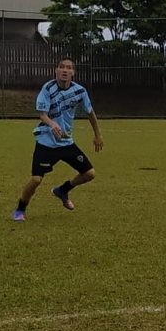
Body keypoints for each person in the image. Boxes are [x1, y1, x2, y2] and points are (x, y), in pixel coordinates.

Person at [11, 57, 103, 221]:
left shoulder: (80, 91)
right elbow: (42, 114)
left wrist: (97, 135)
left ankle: (62, 190)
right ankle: (20, 209)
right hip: (46, 142)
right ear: (56, 71)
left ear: (73, 73)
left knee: (89, 174)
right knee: (36, 179)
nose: (65, 70)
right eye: (62, 67)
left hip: (66, 142)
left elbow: (90, 113)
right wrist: (52, 124)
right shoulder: (48, 88)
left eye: (69, 68)